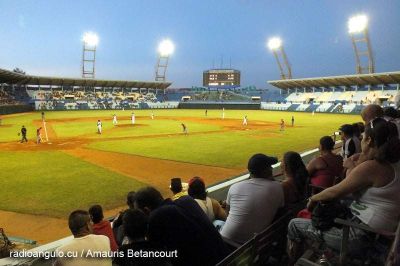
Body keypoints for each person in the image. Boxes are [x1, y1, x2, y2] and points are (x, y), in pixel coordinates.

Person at [287, 118, 400, 263]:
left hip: (359, 236)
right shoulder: (392, 164)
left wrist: (313, 199)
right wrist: (364, 156)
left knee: (294, 225)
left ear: (370, 140)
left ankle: (291, 262)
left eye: (363, 137)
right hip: (378, 234)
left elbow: (335, 191)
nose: (361, 140)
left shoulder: (373, 167)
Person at [134, 186, 229, 266]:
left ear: (146, 210)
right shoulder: (188, 200)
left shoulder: (155, 217)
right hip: (227, 258)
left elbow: (157, 256)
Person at [221, 153, 284, 245]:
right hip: (252, 248)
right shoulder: (278, 187)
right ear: (266, 171)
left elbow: (227, 214)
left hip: (227, 243)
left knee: (217, 222)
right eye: (269, 167)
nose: (272, 168)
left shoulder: (234, 187)